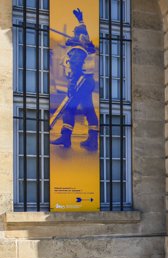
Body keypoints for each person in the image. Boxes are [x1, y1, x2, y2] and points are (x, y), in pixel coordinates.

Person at [50, 8, 99, 151]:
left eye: (75, 33)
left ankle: (65, 137)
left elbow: (76, 68)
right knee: (89, 109)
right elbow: (84, 33)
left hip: (80, 81)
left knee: (69, 108)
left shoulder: (78, 49)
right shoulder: (86, 46)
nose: (73, 35)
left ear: (79, 36)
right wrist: (81, 20)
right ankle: (92, 140)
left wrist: (71, 86)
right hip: (87, 81)